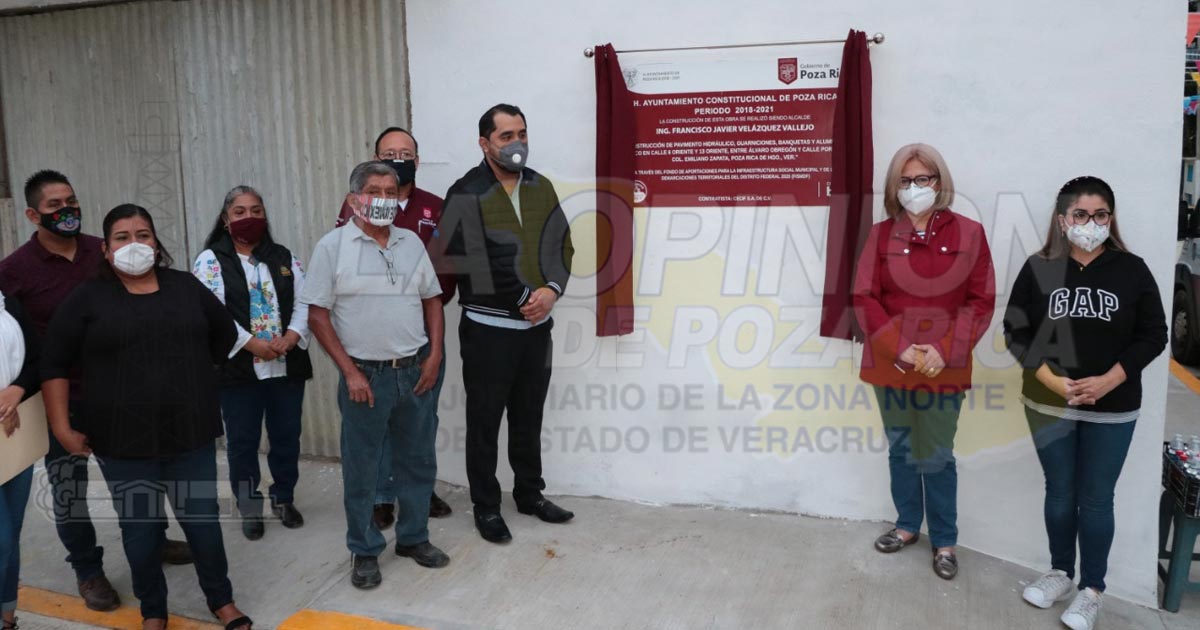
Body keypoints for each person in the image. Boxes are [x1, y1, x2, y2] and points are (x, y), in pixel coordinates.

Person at [40, 205, 253, 630]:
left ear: (156, 244)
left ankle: (222, 601)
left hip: (190, 432)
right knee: (140, 532)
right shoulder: (88, 297)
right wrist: (61, 426)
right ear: (105, 249)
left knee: (203, 525)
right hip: (122, 441)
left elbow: (224, 335)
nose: (134, 244)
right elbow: (54, 362)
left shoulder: (185, 287)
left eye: (143, 235)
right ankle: (153, 610)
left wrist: (191, 377)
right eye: (122, 237)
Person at [0, 170, 191, 613]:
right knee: (69, 489)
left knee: (140, 476)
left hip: (123, 392)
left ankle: (153, 539)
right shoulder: (13, 272)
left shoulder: (103, 251)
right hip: (60, 400)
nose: (67, 210)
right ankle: (88, 570)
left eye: (71, 201)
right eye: (54, 206)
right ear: (32, 215)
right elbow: (17, 343)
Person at [1003, 176, 1166, 630]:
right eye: (1080, 214)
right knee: (1059, 492)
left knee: (1095, 499)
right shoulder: (1039, 267)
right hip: (1047, 402)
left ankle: (1092, 590)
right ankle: (1060, 572)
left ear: (1111, 219)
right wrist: (1051, 381)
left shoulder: (1131, 270)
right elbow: (1014, 330)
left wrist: (1110, 380)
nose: (1090, 223)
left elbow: (1154, 334)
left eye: (1100, 215)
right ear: (1062, 220)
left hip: (1113, 408)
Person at [303, 161, 449, 590]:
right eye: (374, 191)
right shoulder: (332, 247)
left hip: (415, 372)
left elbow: (433, 300)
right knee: (363, 469)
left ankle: (414, 538)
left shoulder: (410, 242)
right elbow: (317, 315)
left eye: (390, 191)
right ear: (354, 199)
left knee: (418, 462)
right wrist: (350, 372)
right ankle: (364, 549)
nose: (384, 199)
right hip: (365, 378)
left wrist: (435, 355)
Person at [852, 143, 995, 580]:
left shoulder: (969, 233)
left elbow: (980, 300)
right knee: (901, 449)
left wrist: (944, 350)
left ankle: (945, 539)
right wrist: (899, 346)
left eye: (923, 179)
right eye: (905, 180)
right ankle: (907, 525)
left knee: (936, 454)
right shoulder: (881, 235)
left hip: (942, 366)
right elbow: (864, 297)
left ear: (939, 182)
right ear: (894, 187)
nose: (915, 187)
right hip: (891, 364)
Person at [438, 103, 575, 544]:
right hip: (488, 331)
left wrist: (551, 290)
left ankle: (530, 494)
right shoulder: (464, 192)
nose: (517, 143)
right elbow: (470, 258)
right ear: (485, 143)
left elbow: (562, 244)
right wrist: (523, 299)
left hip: (536, 330)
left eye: (522, 133)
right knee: (484, 422)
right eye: (506, 136)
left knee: (528, 416)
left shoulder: (540, 186)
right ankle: (486, 506)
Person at [336, 127, 456, 528]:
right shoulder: (357, 207)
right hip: (374, 337)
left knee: (421, 421)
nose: (398, 160)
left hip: (422, 333)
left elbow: (446, 272)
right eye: (389, 154)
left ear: (417, 161)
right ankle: (382, 496)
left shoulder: (436, 208)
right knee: (377, 423)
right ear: (376, 159)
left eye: (406, 153)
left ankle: (418, 491)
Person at [193, 186, 312, 540]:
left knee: (286, 436)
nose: (250, 218)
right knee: (243, 442)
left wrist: (291, 336)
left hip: (286, 364)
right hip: (238, 369)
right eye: (240, 212)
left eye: (256, 211)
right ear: (225, 220)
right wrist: (252, 344)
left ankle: (283, 497)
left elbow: (306, 302)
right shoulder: (211, 261)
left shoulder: (283, 256)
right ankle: (249, 506)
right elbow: (212, 313)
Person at [0, 291, 40, 630]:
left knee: (10, 537)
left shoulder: (8, 303)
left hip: (12, 436)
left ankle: (8, 616)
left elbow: (38, 359)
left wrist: (18, 389)